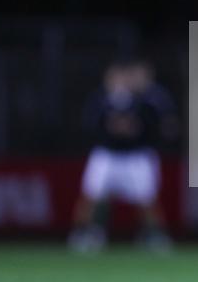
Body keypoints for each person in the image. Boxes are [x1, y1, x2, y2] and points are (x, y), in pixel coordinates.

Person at [68, 59, 174, 253]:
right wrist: (112, 128)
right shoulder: (100, 100)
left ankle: (154, 234)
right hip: (107, 154)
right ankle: (83, 232)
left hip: (136, 156)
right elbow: (88, 126)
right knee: (91, 195)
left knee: (146, 198)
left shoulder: (144, 101)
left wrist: (133, 128)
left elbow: (156, 127)